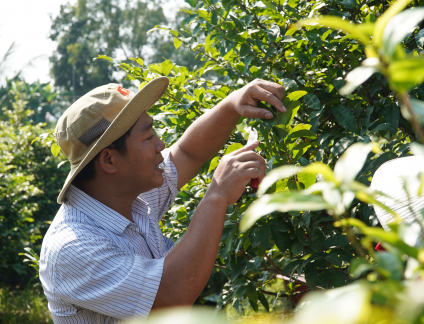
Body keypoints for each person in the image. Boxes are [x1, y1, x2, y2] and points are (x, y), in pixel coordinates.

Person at [39, 77, 286, 323]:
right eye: (148, 138)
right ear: (109, 160)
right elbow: (171, 296)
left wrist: (233, 104)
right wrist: (217, 195)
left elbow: (188, 152)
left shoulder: (126, 195)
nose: (161, 144)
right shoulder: (73, 248)